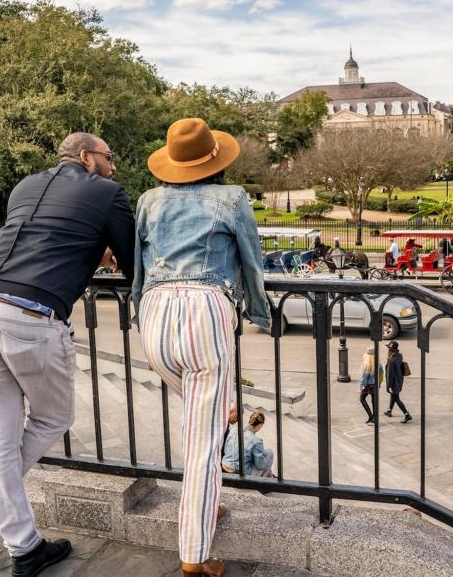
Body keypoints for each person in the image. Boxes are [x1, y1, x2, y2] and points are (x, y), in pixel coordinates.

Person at [0, 132, 134, 576]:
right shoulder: (107, 192)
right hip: (27, 317)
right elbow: (132, 261)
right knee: (52, 418)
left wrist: (87, 252)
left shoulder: (25, 185)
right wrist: (105, 257)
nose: (113, 167)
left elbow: (44, 238)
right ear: (88, 158)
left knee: (0, 439)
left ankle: (21, 545)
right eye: (109, 157)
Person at [134, 118, 270, 577]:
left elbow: (139, 266)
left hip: (154, 315)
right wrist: (259, 312)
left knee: (202, 416)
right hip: (204, 311)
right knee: (203, 441)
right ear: (216, 161)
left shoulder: (149, 200)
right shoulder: (231, 199)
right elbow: (252, 260)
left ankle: (207, 497)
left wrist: (139, 307)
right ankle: (194, 554)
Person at [222, 410, 274, 477]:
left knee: (252, 456)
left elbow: (225, 450)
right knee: (270, 453)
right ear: (260, 425)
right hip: (238, 471)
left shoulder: (234, 430)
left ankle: (271, 477)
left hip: (225, 465)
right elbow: (261, 465)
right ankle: (264, 482)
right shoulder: (256, 441)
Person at [382, 342, 412, 423]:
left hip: (394, 382)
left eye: (389, 348)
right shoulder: (399, 355)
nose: (387, 349)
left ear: (391, 349)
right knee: (393, 396)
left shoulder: (391, 360)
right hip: (399, 380)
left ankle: (407, 414)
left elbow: (390, 375)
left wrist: (389, 386)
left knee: (396, 398)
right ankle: (389, 410)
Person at [359, 347, 382, 424]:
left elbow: (364, 378)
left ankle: (371, 416)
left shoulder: (367, 364)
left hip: (368, 385)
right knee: (374, 401)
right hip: (375, 385)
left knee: (362, 399)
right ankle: (375, 418)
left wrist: (361, 388)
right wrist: (379, 383)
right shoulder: (378, 363)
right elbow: (381, 374)